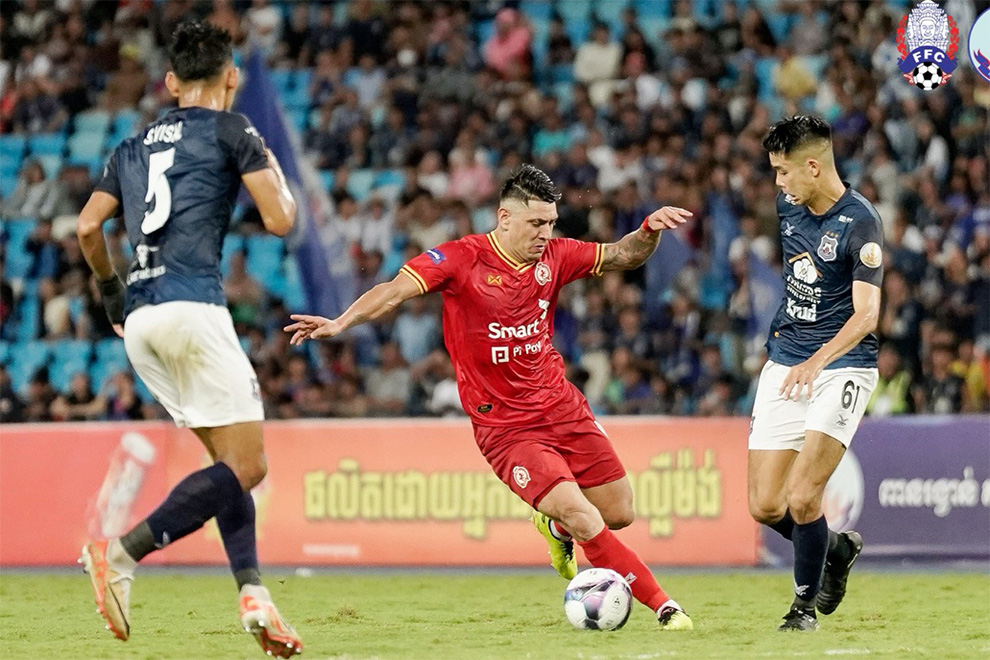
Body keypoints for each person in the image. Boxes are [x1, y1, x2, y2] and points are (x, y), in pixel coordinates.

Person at [285, 164, 695, 631]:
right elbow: (395, 290)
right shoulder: (461, 259)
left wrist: (648, 230)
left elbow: (623, 255)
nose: (546, 233)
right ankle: (666, 608)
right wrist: (341, 322)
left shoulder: (556, 257)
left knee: (619, 513)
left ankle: (553, 526)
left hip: (563, 406)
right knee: (585, 517)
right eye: (536, 223)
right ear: (504, 217)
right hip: (508, 429)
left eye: (551, 223)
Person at [75, 21, 302, 658]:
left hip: (141, 322)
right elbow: (282, 220)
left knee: (227, 467)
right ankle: (119, 552)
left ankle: (254, 594)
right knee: (250, 465)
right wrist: (265, 148)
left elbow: (89, 228)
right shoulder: (234, 129)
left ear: (172, 82)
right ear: (231, 76)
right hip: (192, 308)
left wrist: (111, 293)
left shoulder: (130, 146)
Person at [749, 116, 883, 632]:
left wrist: (817, 360)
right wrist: (798, 358)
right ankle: (837, 547)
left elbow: (867, 315)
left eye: (783, 172)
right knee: (764, 505)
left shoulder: (862, 223)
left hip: (841, 365)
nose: (778, 184)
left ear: (813, 166)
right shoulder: (791, 206)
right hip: (787, 360)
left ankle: (802, 610)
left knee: (804, 495)